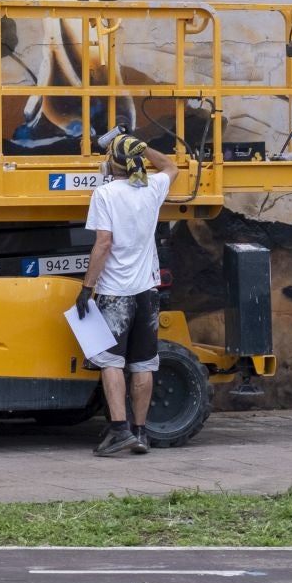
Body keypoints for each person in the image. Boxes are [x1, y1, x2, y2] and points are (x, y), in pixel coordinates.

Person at [75, 133, 178, 457]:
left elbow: (103, 243)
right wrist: (139, 144)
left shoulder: (105, 194)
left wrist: (86, 288)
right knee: (144, 363)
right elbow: (170, 165)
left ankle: (119, 429)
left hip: (115, 293)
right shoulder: (152, 188)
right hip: (147, 291)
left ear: (111, 163)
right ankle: (140, 432)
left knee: (111, 362)